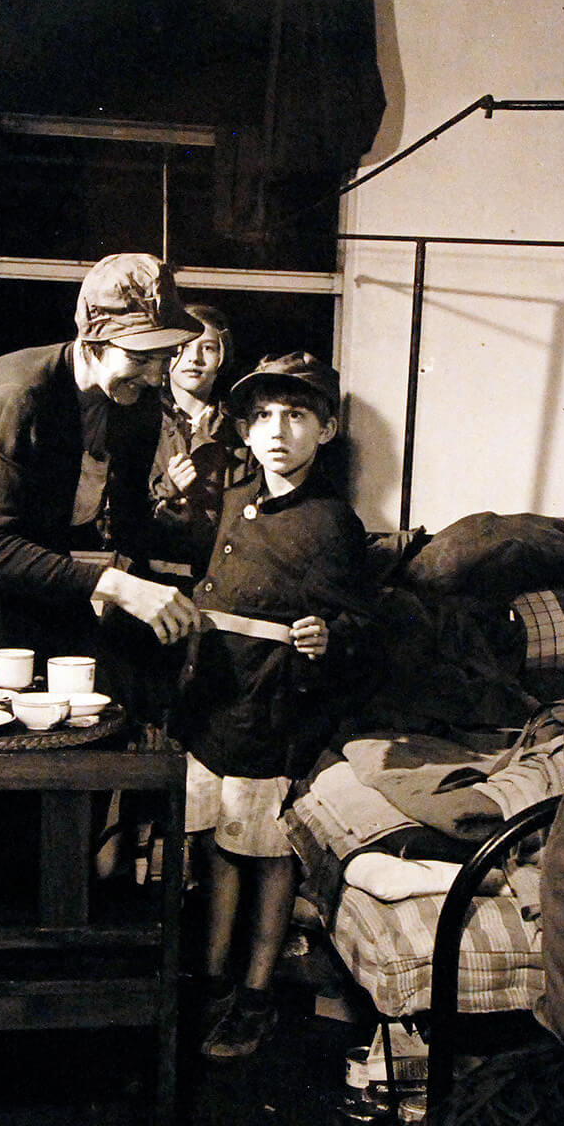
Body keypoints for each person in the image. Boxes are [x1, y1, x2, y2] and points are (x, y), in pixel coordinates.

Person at [171, 351, 380, 1060]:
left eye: (296, 414)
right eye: (263, 415)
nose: (277, 430)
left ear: (325, 429)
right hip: (212, 705)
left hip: (272, 710)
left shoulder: (332, 524)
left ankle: (257, 995)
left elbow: (365, 628)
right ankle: (213, 978)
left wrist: (331, 637)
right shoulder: (233, 499)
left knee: (264, 854)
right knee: (217, 847)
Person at [0, 253, 203, 675]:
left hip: (29, 537)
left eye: (165, 358)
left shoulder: (137, 404)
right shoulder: (21, 397)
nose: (153, 377)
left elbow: (128, 523)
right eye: (140, 358)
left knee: (82, 669)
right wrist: (120, 588)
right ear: (92, 342)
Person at [144, 304, 251, 584]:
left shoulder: (242, 432)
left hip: (217, 582)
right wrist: (166, 492)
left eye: (208, 347)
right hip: (143, 581)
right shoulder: (140, 422)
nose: (195, 358)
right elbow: (112, 522)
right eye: (184, 345)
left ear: (222, 356)